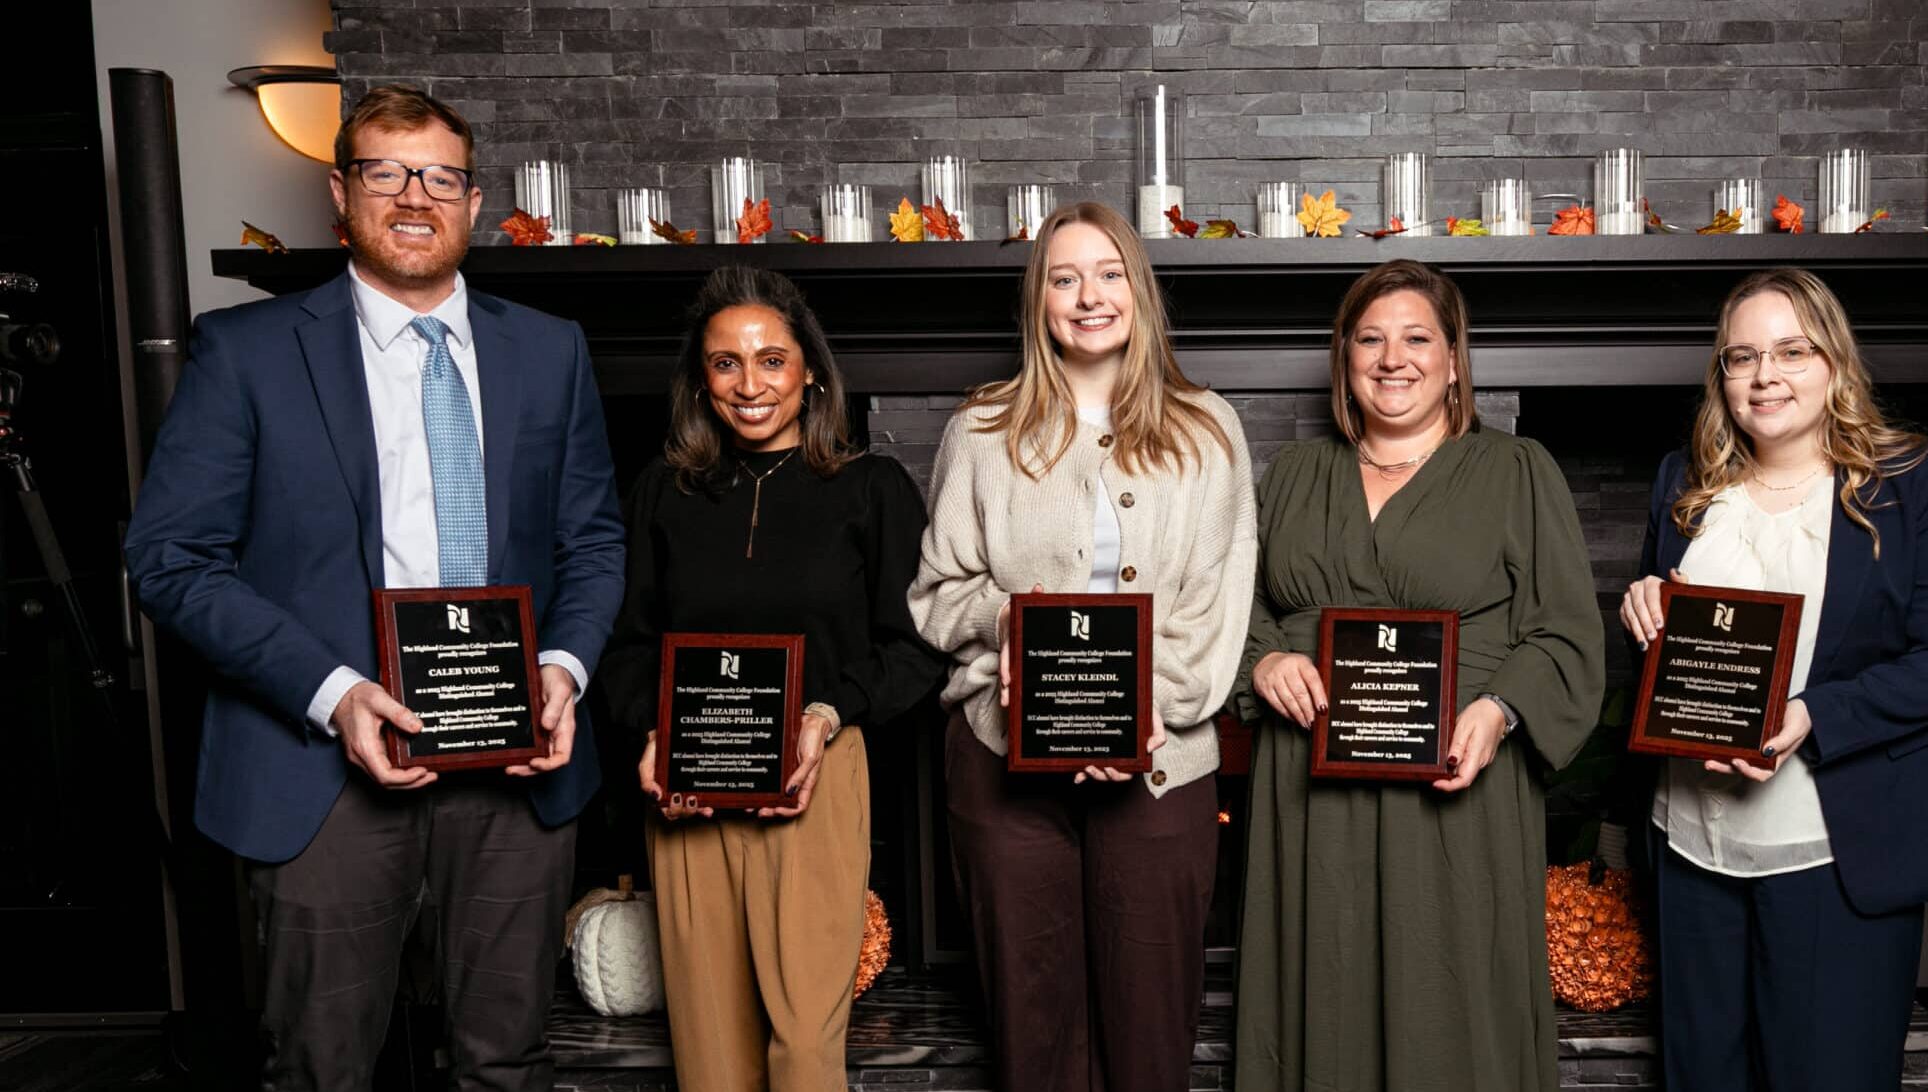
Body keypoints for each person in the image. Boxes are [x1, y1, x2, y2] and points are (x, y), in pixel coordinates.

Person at [123, 86, 623, 1089]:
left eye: (440, 176)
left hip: (513, 766)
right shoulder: (248, 353)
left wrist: (564, 667)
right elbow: (169, 557)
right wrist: (335, 693)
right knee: (323, 1067)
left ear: (474, 202)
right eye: (386, 172)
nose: (414, 197)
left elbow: (592, 538)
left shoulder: (550, 349)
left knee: (507, 1062)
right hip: (321, 774)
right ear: (339, 195)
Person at [1615, 268, 1928, 1090]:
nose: (1765, 376)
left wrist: (1812, 713)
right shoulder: (1683, 480)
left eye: (1792, 351)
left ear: (1834, 362)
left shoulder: (1918, 483)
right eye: (1742, 357)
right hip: (1691, 844)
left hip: (1836, 845)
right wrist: (1646, 603)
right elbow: (1680, 644)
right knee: (1702, 1077)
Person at [908, 201, 1256, 1092]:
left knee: (1151, 1029)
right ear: (1041, 304)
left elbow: (1217, 610)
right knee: (1033, 1030)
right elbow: (937, 596)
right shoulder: (980, 432)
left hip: (1162, 763)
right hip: (1001, 759)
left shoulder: (1208, 429)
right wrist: (1013, 631)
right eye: (1063, 278)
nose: (1087, 295)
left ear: (1137, 292)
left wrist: (1136, 715)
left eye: (1107, 274)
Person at [1236, 258, 1606, 1092]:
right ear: (1344, 357)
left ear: (1453, 360)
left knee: (1452, 1005)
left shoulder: (1516, 470)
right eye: (1369, 338)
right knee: (1317, 991)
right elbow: (1230, 605)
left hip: (1458, 782)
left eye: (1416, 338)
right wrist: (1266, 659)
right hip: (1308, 788)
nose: (1391, 358)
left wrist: (1502, 710)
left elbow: (1566, 630)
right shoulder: (1293, 476)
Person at [594, 266, 944, 1091]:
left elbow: (915, 649)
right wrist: (652, 733)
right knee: (710, 1050)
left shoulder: (872, 489)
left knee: (805, 1042)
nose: (750, 385)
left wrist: (828, 712)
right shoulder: (662, 494)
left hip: (817, 779)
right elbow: (628, 645)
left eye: (772, 360)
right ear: (700, 379)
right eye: (725, 363)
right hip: (686, 786)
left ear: (810, 369)